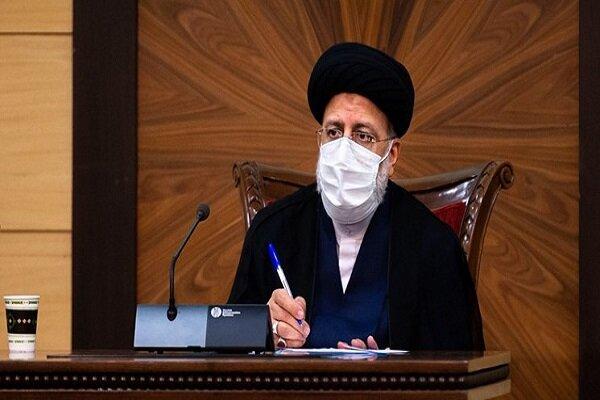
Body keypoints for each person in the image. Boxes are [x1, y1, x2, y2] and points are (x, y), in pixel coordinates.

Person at [228, 42, 484, 351]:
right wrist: (263, 331)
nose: (344, 149)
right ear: (320, 141)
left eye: (363, 135)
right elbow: (226, 350)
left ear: (391, 155)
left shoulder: (432, 246)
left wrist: (390, 371)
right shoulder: (274, 230)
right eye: (334, 132)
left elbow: (459, 365)